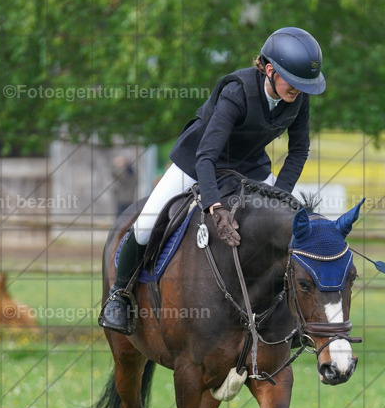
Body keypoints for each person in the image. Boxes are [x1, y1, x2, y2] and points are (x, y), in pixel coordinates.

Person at [99, 26, 326, 335]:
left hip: (250, 166)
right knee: (146, 224)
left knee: (292, 227)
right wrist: (215, 207)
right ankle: (119, 297)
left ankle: (290, 316)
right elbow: (207, 155)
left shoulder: (297, 97)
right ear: (270, 70)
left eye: (304, 85)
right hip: (198, 161)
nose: (299, 90)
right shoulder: (237, 91)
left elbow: (299, 150)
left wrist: (277, 197)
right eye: (295, 82)